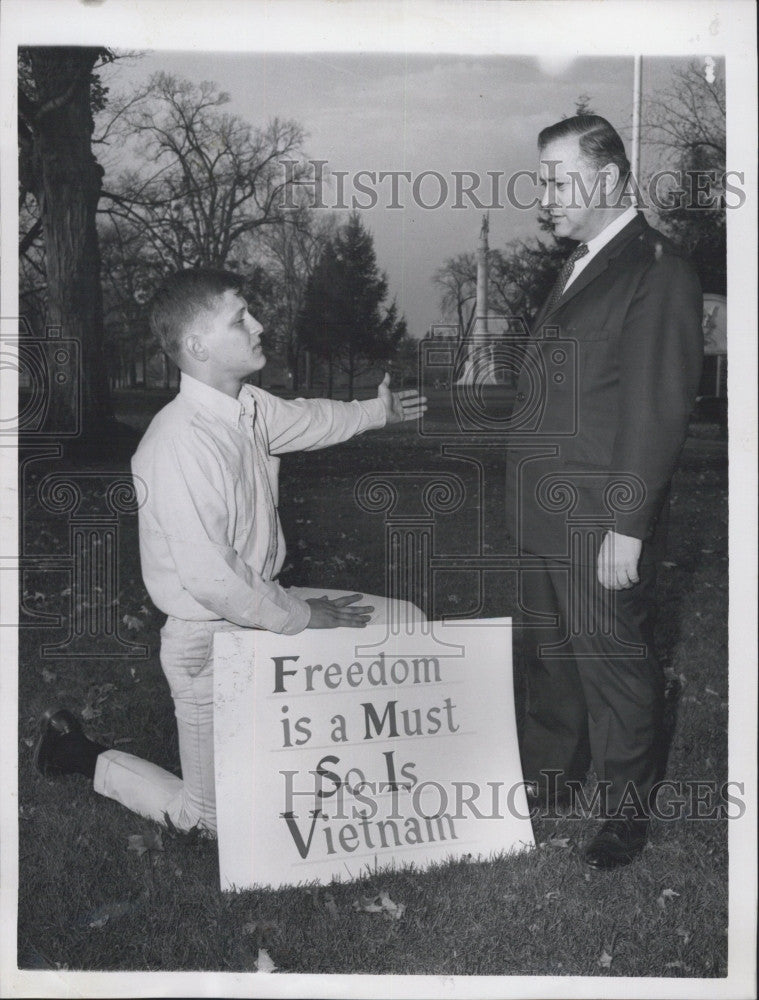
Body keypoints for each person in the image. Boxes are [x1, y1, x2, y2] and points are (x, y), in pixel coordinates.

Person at [35, 267, 426, 836]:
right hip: (207, 641)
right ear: (197, 346)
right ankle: (74, 753)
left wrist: (377, 412)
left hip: (263, 609)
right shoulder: (175, 444)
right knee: (208, 823)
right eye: (240, 319)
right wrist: (301, 616)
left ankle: (369, 778)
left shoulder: (248, 408)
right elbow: (212, 580)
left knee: (404, 626)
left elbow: (312, 418)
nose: (259, 325)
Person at [506, 116, 703, 869]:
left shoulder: (656, 269)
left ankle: (623, 813)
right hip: (542, 511)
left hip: (596, 518)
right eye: (542, 180)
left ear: (612, 179)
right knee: (551, 657)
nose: (543, 197)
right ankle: (552, 778)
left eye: (557, 180)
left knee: (613, 665)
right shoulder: (586, 262)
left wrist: (626, 526)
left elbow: (654, 408)